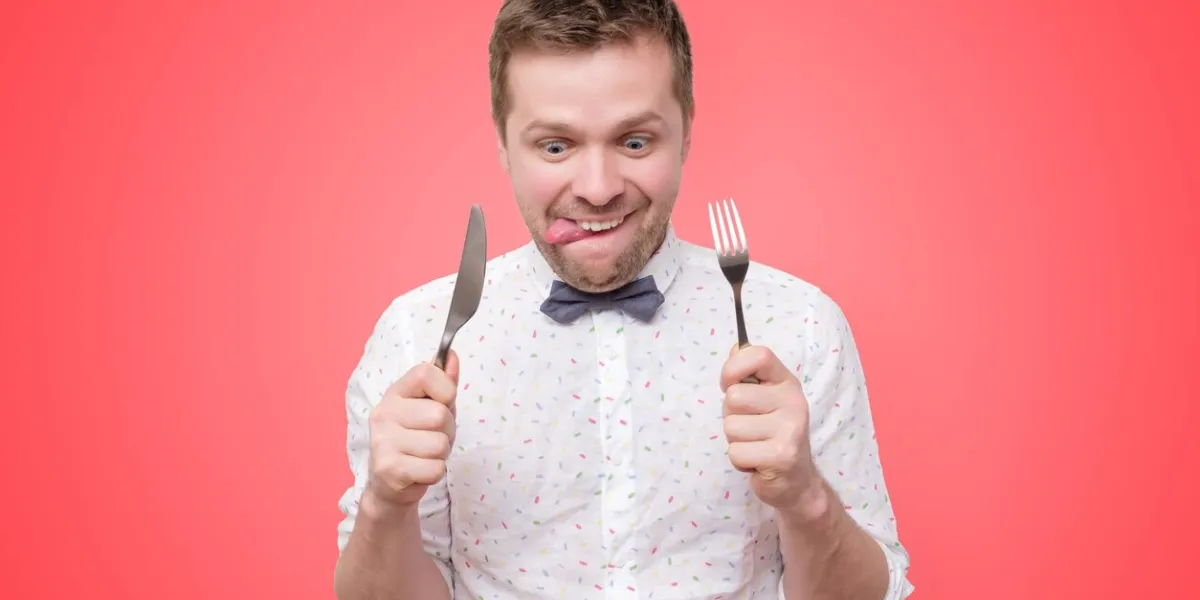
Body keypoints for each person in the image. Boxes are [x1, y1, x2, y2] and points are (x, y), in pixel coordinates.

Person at [333, 1, 913, 598]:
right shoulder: (417, 335)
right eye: (555, 147)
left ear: (686, 130)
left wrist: (806, 497)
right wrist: (385, 506)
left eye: (635, 142)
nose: (599, 188)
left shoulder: (800, 325)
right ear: (504, 144)